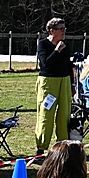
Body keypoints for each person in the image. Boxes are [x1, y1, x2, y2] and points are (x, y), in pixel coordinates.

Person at [35, 18, 74, 159]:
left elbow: (69, 65)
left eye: (64, 29)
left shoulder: (66, 45)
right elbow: (45, 64)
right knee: (46, 115)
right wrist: (56, 50)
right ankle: (41, 148)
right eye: (61, 29)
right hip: (48, 82)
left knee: (64, 115)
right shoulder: (43, 45)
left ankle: (63, 147)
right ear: (52, 31)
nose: (64, 32)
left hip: (64, 81)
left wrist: (73, 84)